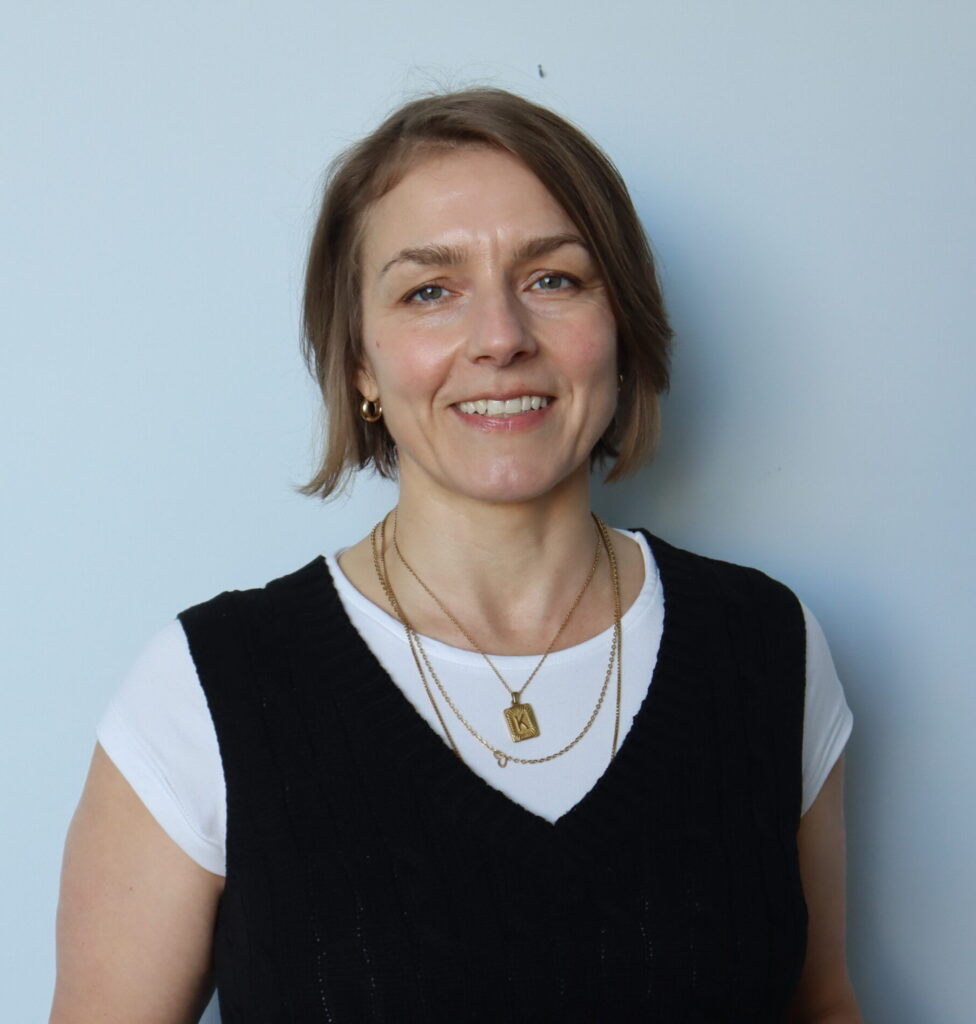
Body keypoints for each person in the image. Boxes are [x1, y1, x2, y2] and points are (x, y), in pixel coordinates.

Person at [51, 89, 862, 1022]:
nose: (502, 338)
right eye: (429, 290)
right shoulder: (205, 689)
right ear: (360, 362)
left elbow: (822, 1004)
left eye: (554, 279)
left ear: (621, 323)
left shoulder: (765, 648)